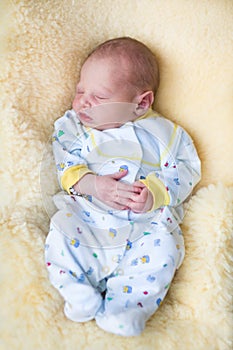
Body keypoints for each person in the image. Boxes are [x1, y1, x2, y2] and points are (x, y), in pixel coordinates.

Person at [45, 37, 201, 336]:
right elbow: (63, 160)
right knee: (62, 231)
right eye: (80, 91)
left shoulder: (167, 135)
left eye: (99, 96)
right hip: (88, 218)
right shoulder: (75, 128)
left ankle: (127, 310)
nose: (83, 102)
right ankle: (76, 292)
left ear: (140, 103)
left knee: (163, 252)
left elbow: (188, 169)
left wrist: (157, 193)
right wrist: (92, 184)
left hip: (147, 227)